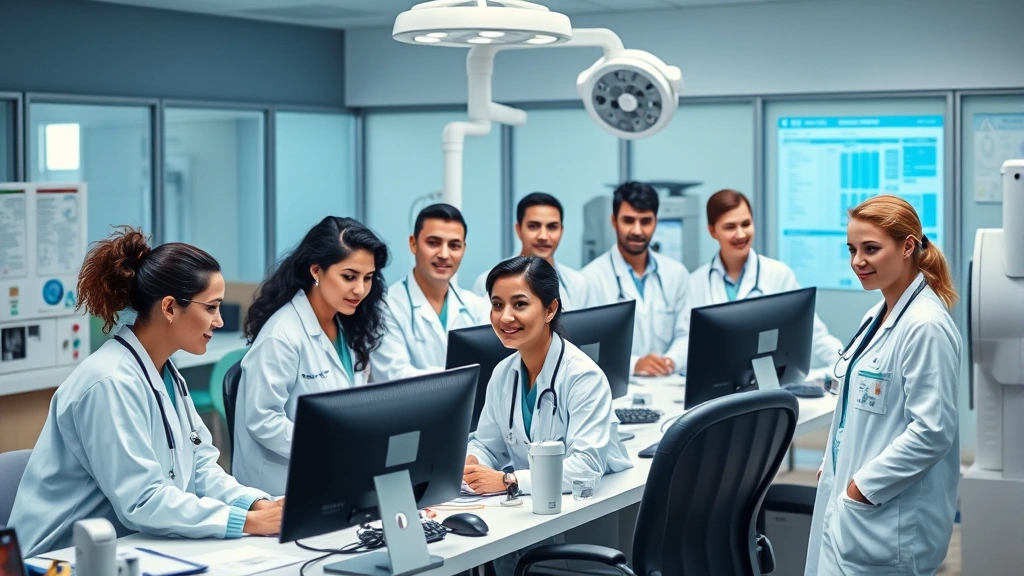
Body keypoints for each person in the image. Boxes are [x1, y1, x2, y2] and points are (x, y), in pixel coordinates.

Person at [8, 227, 281, 557]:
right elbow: (143, 500)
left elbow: (201, 468)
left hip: (129, 547)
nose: (219, 321)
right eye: (211, 308)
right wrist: (247, 522)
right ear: (169, 308)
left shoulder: (164, 373)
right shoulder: (108, 382)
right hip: (59, 558)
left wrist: (258, 504)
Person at [806, 195, 961, 576]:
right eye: (853, 249)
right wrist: (835, 466)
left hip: (886, 520)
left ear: (908, 246)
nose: (858, 261)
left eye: (871, 249)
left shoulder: (925, 326)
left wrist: (860, 488)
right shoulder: (878, 312)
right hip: (852, 505)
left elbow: (932, 432)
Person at [465, 256, 632, 576]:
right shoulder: (504, 373)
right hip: (527, 518)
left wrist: (507, 481)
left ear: (550, 309)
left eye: (520, 304)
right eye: (497, 304)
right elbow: (489, 444)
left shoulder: (583, 377)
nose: (506, 316)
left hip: (582, 521)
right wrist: (473, 462)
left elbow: (584, 470)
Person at [233, 217, 390, 496]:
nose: (360, 290)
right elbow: (263, 420)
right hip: (282, 487)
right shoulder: (282, 336)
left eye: (368, 278)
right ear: (316, 270)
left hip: (337, 473)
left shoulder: (347, 325)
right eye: (349, 276)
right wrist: (329, 447)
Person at [680, 189, 843, 372]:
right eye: (730, 227)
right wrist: (668, 363)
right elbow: (685, 339)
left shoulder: (778, 275)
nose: (741, 234)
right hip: (715, 381)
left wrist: (845, 363)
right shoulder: (696, 282)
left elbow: (812, 333)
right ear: (712, 231)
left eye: (746, 224)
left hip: (766, 381)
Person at [582, 182, 691, 376]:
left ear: (656, 222)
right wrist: (635, 365)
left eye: (646, 221)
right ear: (614, 221)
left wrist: (670, 362)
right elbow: (587, 349)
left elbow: (686, 334)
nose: (637, 231)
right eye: (629, 221)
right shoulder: (590, 279)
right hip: (615, 388)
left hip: (668, 383)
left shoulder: (677, 274)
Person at [370, 204, 488, 382]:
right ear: (413, 243)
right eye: (433, 243)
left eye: (454, 245)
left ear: (464, 248)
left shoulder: (476, 306)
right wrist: (465, 377)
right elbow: (394, 377)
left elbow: (492, 367)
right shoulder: (386, 306)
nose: (444, 254)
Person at [472, 192, 590, 310]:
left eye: (552, 227)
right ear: (519, 230)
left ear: (561, 231)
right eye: (533, 226)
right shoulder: (486, 282)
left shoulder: (576, 283)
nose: (543, 236)